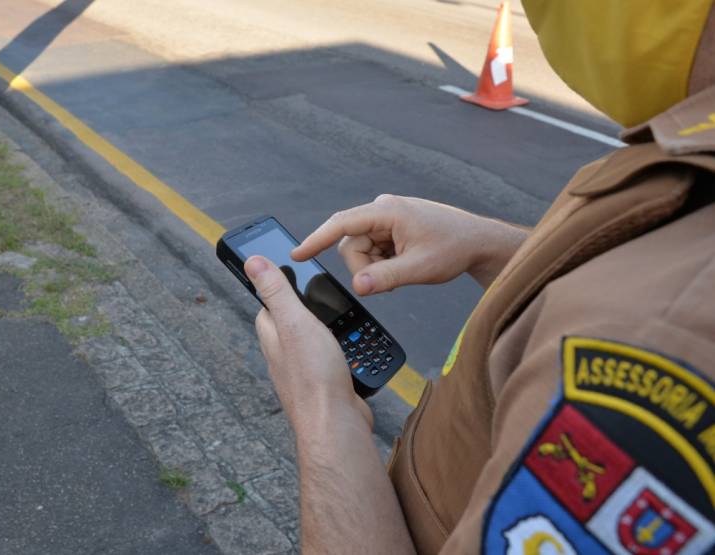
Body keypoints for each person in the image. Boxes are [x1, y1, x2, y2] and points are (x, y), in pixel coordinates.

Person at [243, 2, 715, 553]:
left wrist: (324, 414)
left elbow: (648, 312)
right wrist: (495, 248)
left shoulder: (668, 332)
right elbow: (618, 288)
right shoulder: (683, 148)